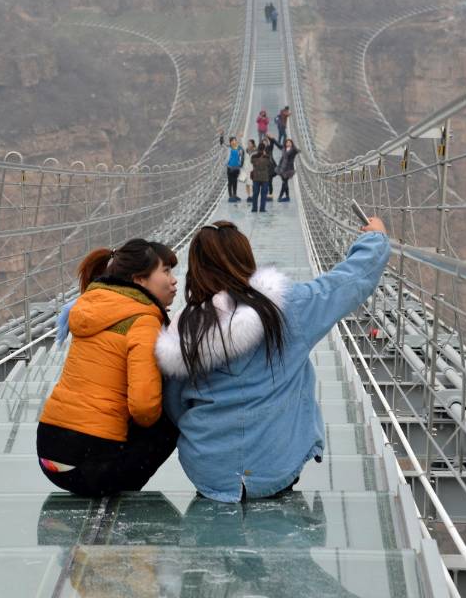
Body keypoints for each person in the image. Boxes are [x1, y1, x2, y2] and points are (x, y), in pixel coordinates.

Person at [156, 218, 390, 502]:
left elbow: (175, 405)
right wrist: (375, 239)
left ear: (196, 267)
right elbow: (350, 281)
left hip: (208, 468)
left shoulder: (184, 331)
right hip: (278, 462)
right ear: (246, 258)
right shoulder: (288, 308)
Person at [36, 239, 180, 497]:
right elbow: (144, 407)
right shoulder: (143, 321)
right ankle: (120, 494)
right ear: (139, 281)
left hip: (49, 454)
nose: (174, 280)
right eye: (166, 271)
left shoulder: (90, 307)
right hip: (87, 465)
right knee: (170, 413)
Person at [267, 136, 297, 202]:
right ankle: (287, 197)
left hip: (288, 169)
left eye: (289, 142)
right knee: (285, 182)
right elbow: (278, 145)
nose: (288, 143)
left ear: (292, 144)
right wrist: (272, 139)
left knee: (284, 182)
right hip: (282, 167)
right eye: (287, 142)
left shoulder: (293, 150)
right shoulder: (284, 148)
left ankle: (280, 196)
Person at [249, 143, 273, 212]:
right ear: (264, 149)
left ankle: (254, 208)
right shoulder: (267, 157)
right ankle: (262, 209)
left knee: (255, 194)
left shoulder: (253, 156)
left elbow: (252, 162)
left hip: (256, 177)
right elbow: (269, 165)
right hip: (265, 178)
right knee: (263, 194)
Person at [223, 136, 244, 202]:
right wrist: (221, 136)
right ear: (230, 142)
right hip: (230, 167)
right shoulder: (228, 148)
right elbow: (222, 144)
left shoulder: (239, 148)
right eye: (232, 141)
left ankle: (235, 195)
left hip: (237, 168)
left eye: (235, 140)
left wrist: (241, 164)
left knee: (235, 182)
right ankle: (230, 196)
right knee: (230, 182)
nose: (234, 142)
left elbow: (242, 153)